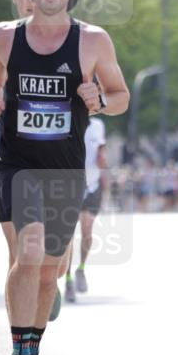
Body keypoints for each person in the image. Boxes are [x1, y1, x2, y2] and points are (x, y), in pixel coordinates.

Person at [0, 0, 130, 355]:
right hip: (18, 164)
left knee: (49, 272)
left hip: (65, 170)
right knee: (26, 252)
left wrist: (99, 101)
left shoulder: (93, 41)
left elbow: (121, 95)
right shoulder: (3, 37)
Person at [0, 0, 63, 320]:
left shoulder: (69, 39)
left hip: (59, 161)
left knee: (52, 264)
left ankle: (49, 281)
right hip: (13, 162)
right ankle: (21, 346)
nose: (33, 0)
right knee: (19, 256)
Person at [64, 114, 107, 302]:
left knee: (87, 231)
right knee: (68, 236)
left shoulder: (98, 124)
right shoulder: (68, 119)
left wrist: (102, 159)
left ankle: (81, 269)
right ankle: (68, 279)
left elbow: (101, 152)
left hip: (92, 185)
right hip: (70, 186)